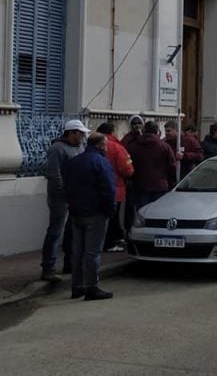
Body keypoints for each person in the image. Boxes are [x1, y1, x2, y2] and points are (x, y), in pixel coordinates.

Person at [63, 133, 116, 301]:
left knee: (77, 251)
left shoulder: (74, 162)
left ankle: (77, 286)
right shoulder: (101, 162)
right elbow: (108, 189)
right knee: (92, 252)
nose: (107, 148)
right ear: (100, 145)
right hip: (96, 212)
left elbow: (67, 186)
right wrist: (110, 209)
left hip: (77, 212)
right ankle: (91, 287)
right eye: (105, 145)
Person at [40, 120, 89, 282]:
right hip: (60, 197)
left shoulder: (80, 148)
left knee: (73, 232)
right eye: (80, 133)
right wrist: (65, 193)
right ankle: (48, 267)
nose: (82, 136)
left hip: (77, 196)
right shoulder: (57, 149)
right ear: (72, 132)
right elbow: (54, 175)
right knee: (55, 231)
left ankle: (70, 263)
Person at [96, 122, 134, 253]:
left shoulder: (90, 145)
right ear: (112, 132)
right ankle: (109, 243)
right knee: (112, 217)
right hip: (116, 188)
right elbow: (127, 169)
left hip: (95, 190)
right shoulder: (118, 147)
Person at [128, 121, 177, 209]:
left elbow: (130, 165)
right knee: (158, 213)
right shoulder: (165, 146)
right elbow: (172, 166)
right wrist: (171, 183)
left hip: (141, 186)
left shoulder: (134, 146)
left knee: (142, 214)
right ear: (157, 131)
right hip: (160, 186)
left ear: (144, 130)